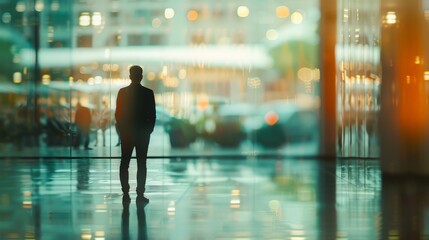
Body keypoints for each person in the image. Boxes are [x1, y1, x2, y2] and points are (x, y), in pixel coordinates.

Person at [115, 65, 156, 204]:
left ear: (130, 76)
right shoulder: (148, 93)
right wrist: (148, 129)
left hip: (127, 133)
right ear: (141, 76)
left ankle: (125, 192)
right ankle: (140, 193)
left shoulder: (122, 92)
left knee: (124, 163)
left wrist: (122, 130)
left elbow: (118, 114)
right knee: (141, 163)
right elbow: (152, 114)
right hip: (143, 134)